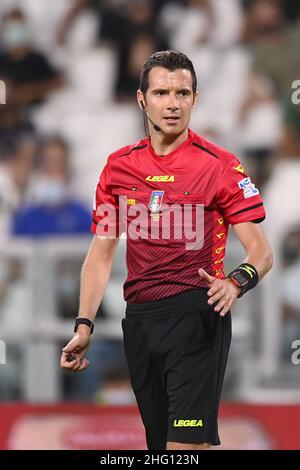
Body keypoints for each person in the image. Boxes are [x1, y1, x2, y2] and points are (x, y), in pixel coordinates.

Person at [60, 50, 273, 450]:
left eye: (182, 93)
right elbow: (101, 255)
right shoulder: (118, 168)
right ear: (142, 100)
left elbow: (261, 251)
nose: (172, 103)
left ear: (195, 98)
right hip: (139, 320)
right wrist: (84, 324)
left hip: (196, 315)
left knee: (184, 448)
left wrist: (236, 282)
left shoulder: (221, 166)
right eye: (161, 92)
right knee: (164, 449)